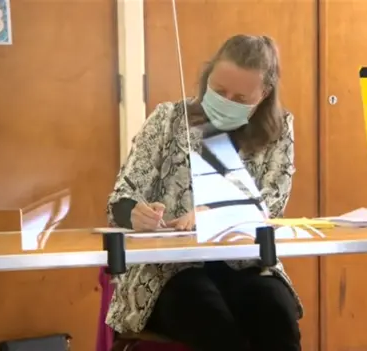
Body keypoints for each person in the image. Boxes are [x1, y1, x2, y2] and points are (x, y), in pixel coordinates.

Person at [106, 34, 301, 351]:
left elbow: (272, 203)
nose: (226, 101)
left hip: (246, 264)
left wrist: (220, 214)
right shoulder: (168, 120)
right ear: (206, 76)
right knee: (214, 323)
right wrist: (136, 214)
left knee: (277, 315)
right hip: (167, 271)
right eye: (220, 90)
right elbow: (119, 201)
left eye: (239, 98)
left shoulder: (279, 130)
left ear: (264, 95)